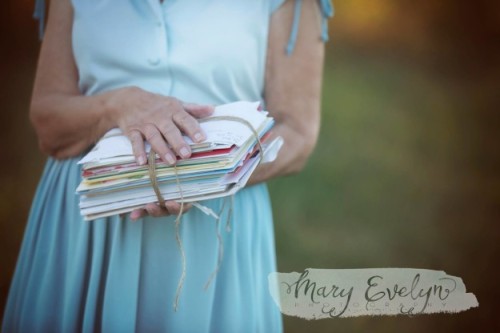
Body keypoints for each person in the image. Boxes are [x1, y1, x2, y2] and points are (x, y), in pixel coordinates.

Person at [2, 0, 332, 332]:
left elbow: (297, 133)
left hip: (214, 230)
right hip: (85, 231)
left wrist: (202, 178)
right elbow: (47, 121)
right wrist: (116, 105)